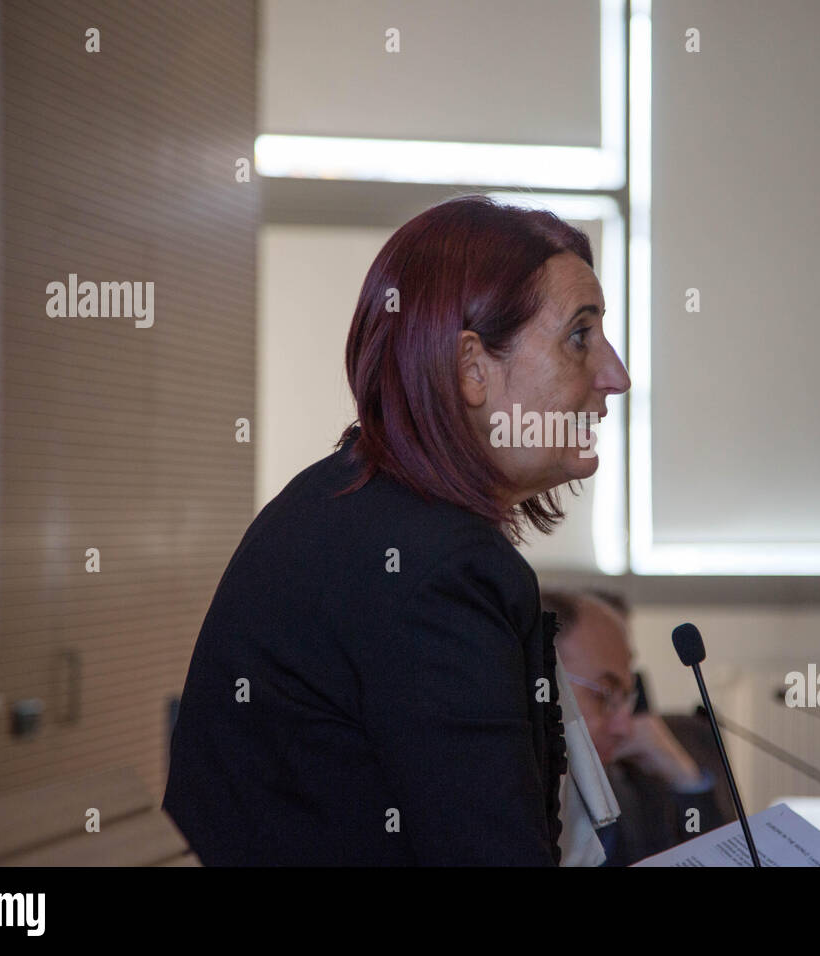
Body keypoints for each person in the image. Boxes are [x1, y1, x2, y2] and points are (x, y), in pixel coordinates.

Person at [163, 195, 630, 864]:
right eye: (580, 337)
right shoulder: (438, 569)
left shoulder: (339, 502)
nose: (615, 376)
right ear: (472, 368)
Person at [542, 589, 731, 865]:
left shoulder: (634, 778)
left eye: (625, 698)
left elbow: (719, 858)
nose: (624, 726)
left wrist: (686, 779)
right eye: (605, 695)